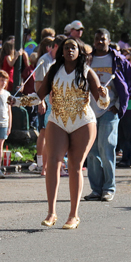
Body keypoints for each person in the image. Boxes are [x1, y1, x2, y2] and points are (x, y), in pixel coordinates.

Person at [13, 38, 109, 228]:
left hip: (82, 122)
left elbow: (101, 104)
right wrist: (16, 101)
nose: (69, 50)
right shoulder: (54, 71)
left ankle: (73, 215)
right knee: (53, 163)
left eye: (73, 47)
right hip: (57, 120)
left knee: (74, 166)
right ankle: (51, 213)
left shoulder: (87, 73)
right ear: (61, 52)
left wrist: (104, 95)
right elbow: (38, 97)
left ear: (80, 51)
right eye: (66, 47)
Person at [83, 29, 131, 201]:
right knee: (92, 151)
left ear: (109, 40)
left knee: (107, 148)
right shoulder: (87, 59)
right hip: (89, 111)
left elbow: (130, 83)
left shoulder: (118, 60)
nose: (99, 42)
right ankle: (96, 189)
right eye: (97, 39)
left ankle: (109, 188)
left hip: (109, 111)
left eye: (103, 39)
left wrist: (118, 105)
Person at [33, 35, 66, 176]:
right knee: (46, 134)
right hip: (48, 102)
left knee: (56, 136)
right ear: (56, 47)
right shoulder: (45, 61)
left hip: (60, 103)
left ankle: (56, 166)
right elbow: (38, 83)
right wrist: (41, 101)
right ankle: (43, 165)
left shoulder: (58, 61)